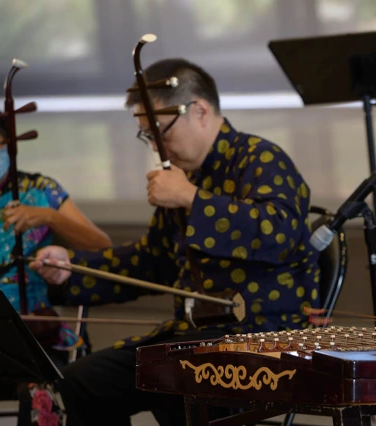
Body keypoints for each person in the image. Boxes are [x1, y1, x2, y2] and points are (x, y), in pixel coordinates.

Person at [29, 57, 320, 426]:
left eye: (160, 132)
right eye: (148, 136)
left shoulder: (261, 158)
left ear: (199, 110)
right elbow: (152, 261)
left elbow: (281, 233)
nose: (157, 146)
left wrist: (192, 198)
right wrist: (71, 268)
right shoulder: (186, 178)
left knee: (176, 380)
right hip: (191, 341)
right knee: (81, 384)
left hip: (263, 338)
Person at [0, 110, 112, 426]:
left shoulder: (39, 189)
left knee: (36, 389)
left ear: (8, 144)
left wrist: (49, 217)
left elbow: (103, 247)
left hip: (37, 334)